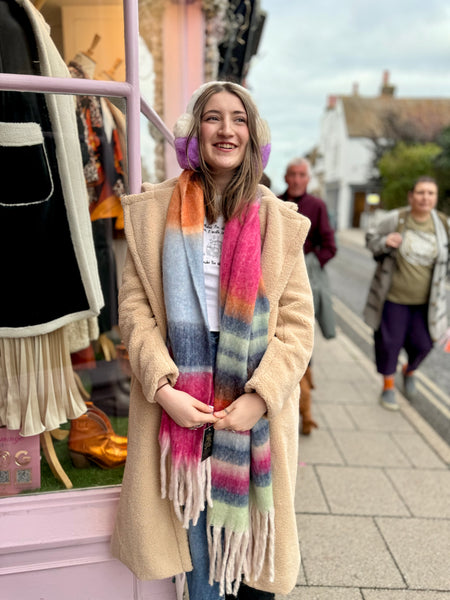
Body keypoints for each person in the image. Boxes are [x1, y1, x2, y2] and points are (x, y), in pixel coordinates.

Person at [111, 81, 315, 600]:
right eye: (213, 117)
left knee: (252, 570)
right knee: (199, 562)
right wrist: (163, 390)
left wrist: (259, 397)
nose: (227, 129)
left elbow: (296, 326)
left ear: (254, 135)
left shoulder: (277, 219)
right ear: (193, 132)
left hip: (250, 405)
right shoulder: (153, 211)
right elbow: (134, 314)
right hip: (182, 398)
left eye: (239, 119)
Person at [363, 176, 449, 411]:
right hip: (393, 299)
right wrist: (385, 242)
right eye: (421, 192)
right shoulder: (396, 218)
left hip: (428, 303)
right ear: (411, 196)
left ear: (436, 197)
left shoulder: (443, 224)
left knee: (424, 344)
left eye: (430, 193)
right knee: (389, 344)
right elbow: (371, 239)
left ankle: (409, 370)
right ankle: (388, 386)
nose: (425, 197)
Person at [279, 157, 337, 434]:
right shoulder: (275, 201)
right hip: (277, 281)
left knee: (301, 341)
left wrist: (311, 263)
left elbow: (330, 246)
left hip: (306, 284)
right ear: (286, 177)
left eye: (302, 174)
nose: (297, 178)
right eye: (293, 174)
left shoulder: (318, 206)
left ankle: (306, 409)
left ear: (308, 178)